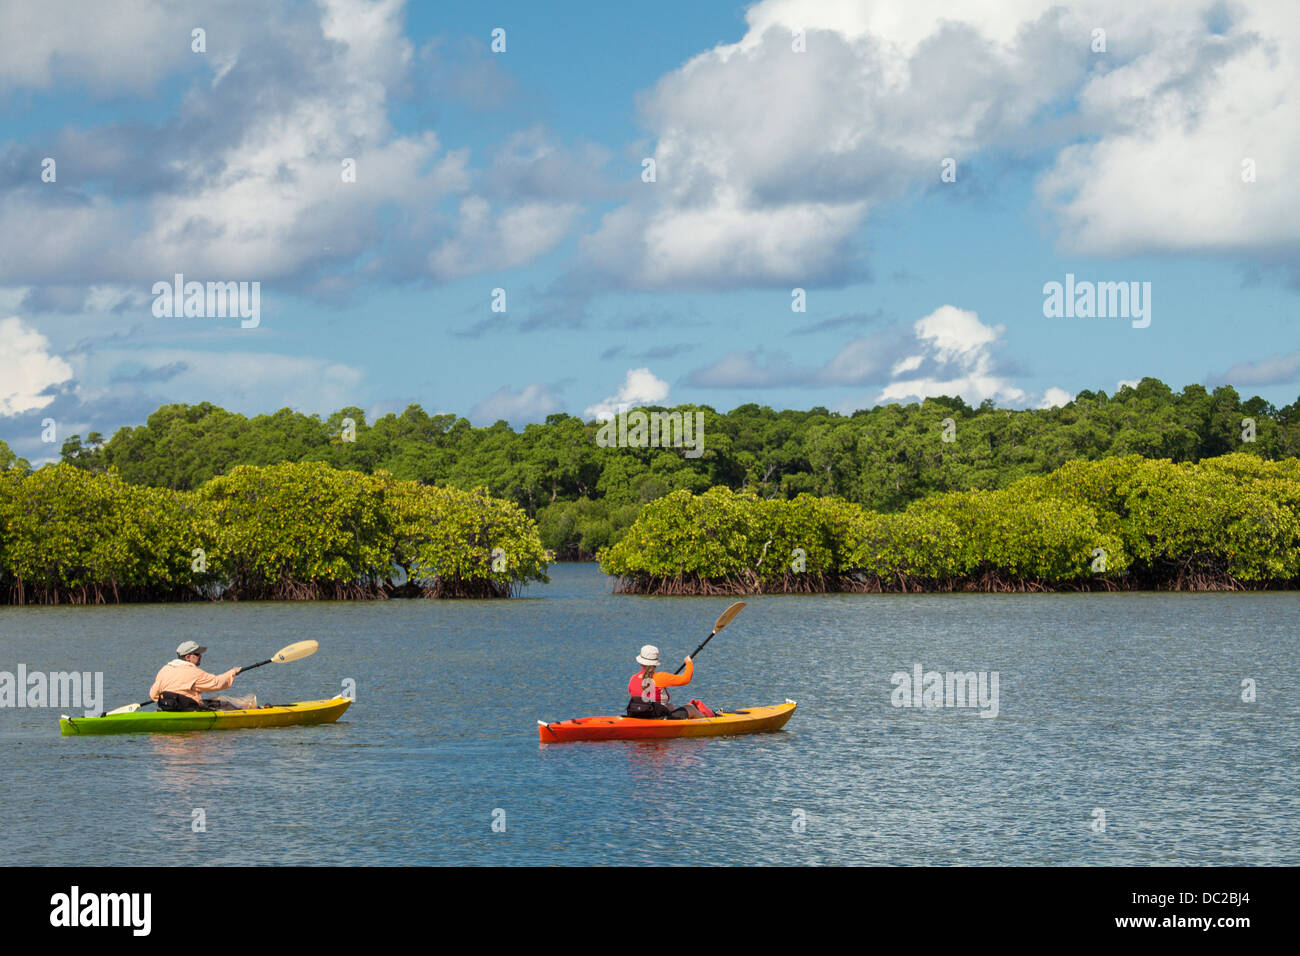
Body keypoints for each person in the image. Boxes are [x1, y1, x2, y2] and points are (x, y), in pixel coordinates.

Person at [149, 641, 243, 711]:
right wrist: (233, 672)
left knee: (216, 700)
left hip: (169, 707)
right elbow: (217, 683)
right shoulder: (194, 672)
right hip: (189, 709)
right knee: (225, 702)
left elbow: (153, 694)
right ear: (188, 657)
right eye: (197, 654)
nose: (201, 656)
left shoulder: (165, 669)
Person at [626, 644, 704, 719]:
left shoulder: (633, 678)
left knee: (670, 706)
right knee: (690, 708)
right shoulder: (660, 677)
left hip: (638, 715)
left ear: (640, 662)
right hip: (656, 718)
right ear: (655, 663)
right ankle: (707, 722)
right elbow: (685, 679)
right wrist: (689, 662)